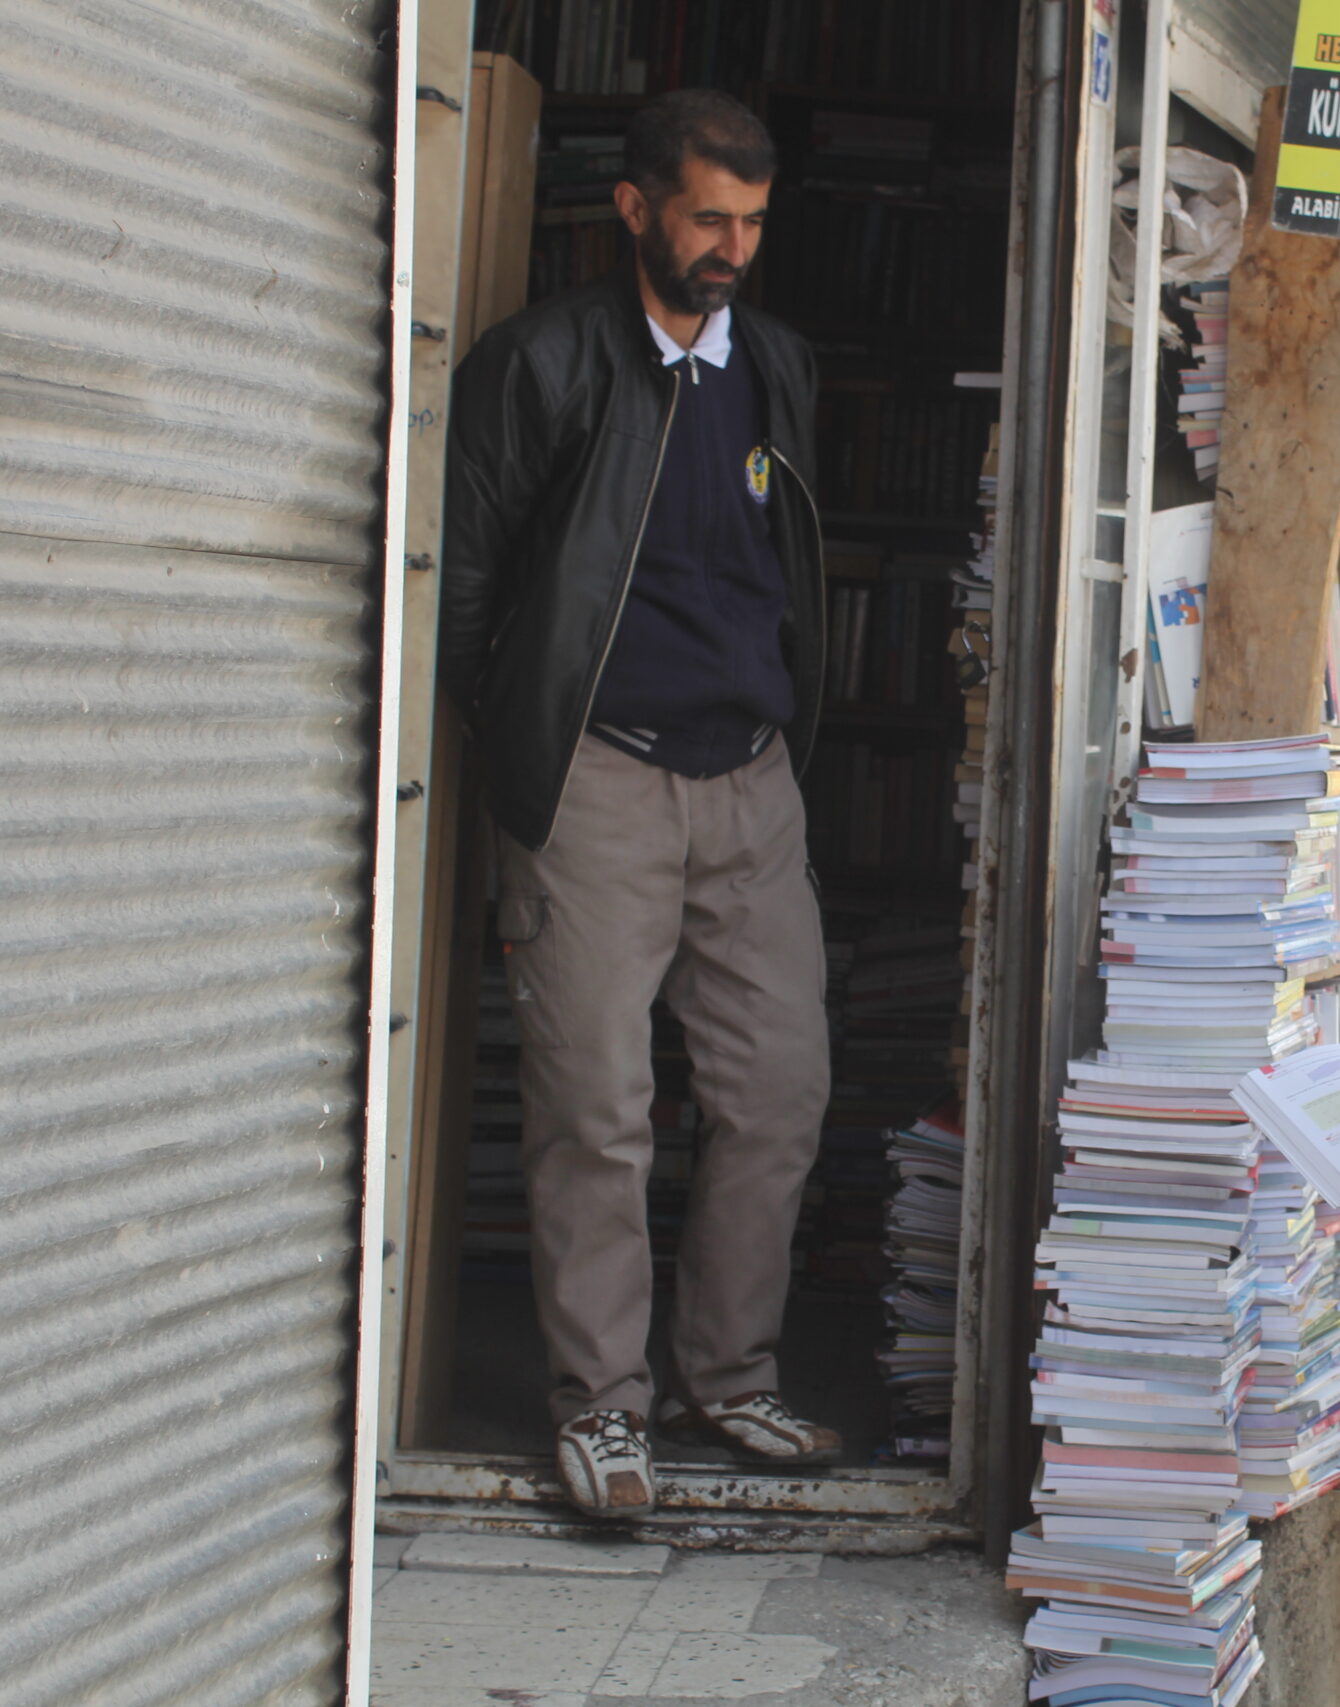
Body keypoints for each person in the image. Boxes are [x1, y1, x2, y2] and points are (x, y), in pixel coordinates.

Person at [440, 89, 836, 1519]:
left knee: (780, 1090)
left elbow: (785, 566)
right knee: (596, 1105)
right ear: (635, 209)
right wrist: (527, 741)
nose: (732, 247)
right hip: (600, 771)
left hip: (750, 782)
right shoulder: (539, 364)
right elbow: (462, 587)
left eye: (751, 223)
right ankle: (602, 1406)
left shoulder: (779, 367)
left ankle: (728, 1376)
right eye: (707, 218)